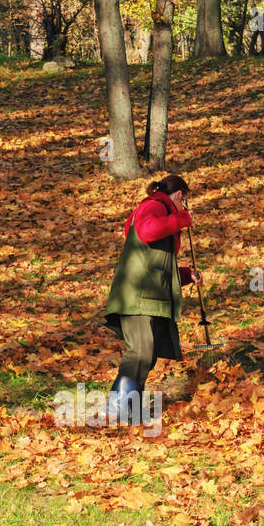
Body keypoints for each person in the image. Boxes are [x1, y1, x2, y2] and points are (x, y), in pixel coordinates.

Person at [104, 173, 201, 423]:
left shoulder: (160, 210)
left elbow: (155, 265)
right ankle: (116, 411)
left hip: (149, 296)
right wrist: (180, 218)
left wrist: (187, 275)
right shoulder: (153, 206)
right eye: (184, 202)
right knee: (140, 353)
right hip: (136, 296)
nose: (184, 207)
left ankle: (130, 412)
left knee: (147, 354)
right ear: (179, 195)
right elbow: (147, 232)